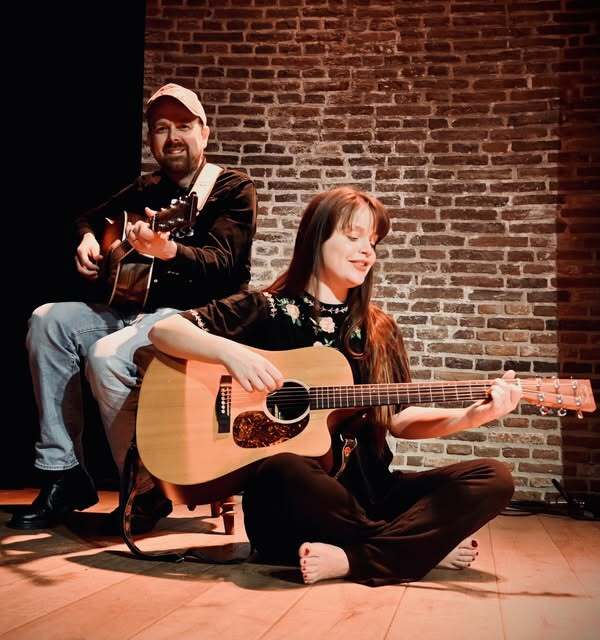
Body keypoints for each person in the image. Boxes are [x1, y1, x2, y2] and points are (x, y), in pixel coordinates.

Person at [148, 187, 520, 586]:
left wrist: (471, 416)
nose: (367, 252)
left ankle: (359, 557)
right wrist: (230, 353)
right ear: (317, 238)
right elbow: (164, 330)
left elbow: (400, 420)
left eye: (373, 242)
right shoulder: (267, 309)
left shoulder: (379, 330)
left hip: (370, 494)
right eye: (353, 236)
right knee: (285, 467)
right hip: (293, 506)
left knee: (493, 477)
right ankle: (413, 548)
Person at [8, 83, 258, 531]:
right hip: (133, 312)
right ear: (151, 140)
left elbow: (226, 265)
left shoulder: (232, 189)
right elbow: (87, 218)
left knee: (107, 355)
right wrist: (88, 239)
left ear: (205, 132)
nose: (173, 137)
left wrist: (170, 252)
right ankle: (64, 474)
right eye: (161, 128)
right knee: (47, 320)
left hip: (193, 319)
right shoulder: (148, 188)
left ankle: (145, 491)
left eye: (184, 125)